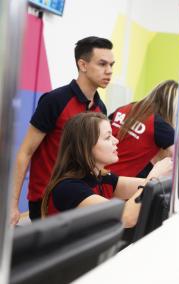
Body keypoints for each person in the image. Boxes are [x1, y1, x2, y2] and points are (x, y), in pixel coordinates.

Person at [11, 36, 115, 224]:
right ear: (82, 65)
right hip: (46, 199)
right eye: (102, 64)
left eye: (111, 65)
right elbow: (25, 152)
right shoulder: (55, 101)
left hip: (81, 197)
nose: (109, 71)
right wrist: (12, 205)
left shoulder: (101, 109)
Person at [41, 112, 172, 228]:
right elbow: (126, 218)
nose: (116, 141)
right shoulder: (69, 188)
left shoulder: (103, 177)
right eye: (108, 137)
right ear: (86, 146)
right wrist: (153, 177)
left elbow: (148, 187)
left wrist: (164, 175)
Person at [107, 80, 179, 178]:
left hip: (99, 175)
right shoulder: (160, 125)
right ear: (172, 106)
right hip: (117, 185)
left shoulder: (126, 108)